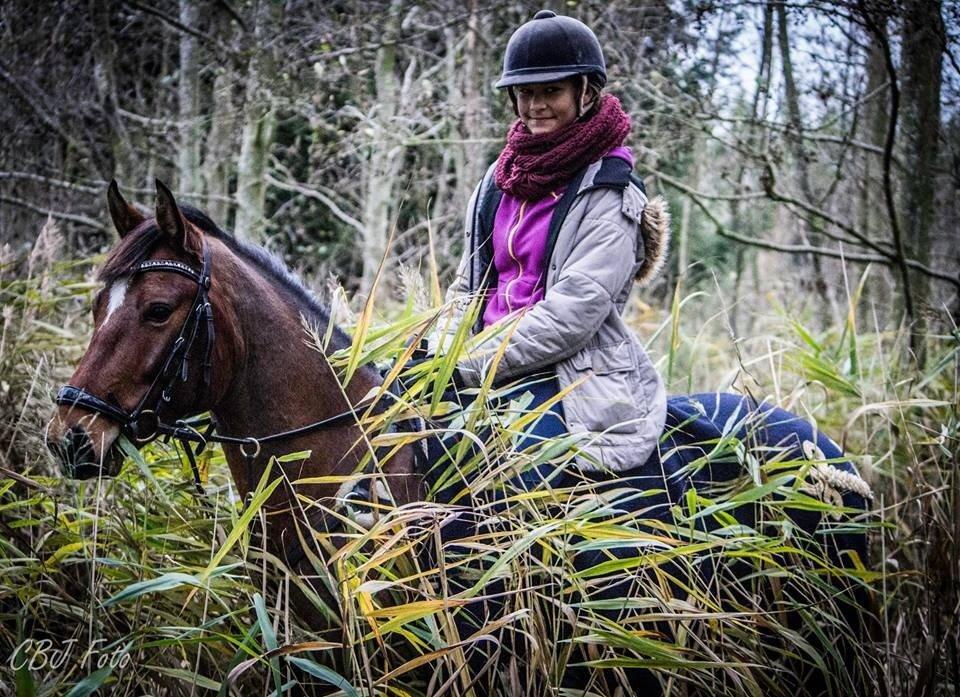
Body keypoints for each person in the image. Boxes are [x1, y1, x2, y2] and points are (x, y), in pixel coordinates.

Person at [424, 9, 669, 497]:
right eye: (525, 92)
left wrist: (463, 364)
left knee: (512, 487)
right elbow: (467, 287)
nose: (534, 105)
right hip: (476, 364)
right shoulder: (499, 181)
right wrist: (436, 356)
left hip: (569, 377)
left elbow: (569, 318)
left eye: (550, 91)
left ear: (586, 91)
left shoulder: (611, 194)